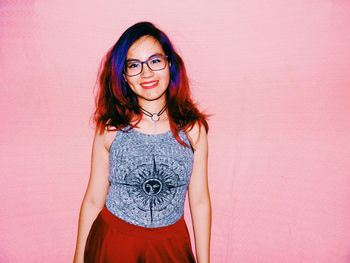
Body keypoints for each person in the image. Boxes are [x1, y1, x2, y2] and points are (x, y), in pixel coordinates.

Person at [73, 21, 212, 263]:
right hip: (113, 245)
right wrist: (78, 259)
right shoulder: (110, 129)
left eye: (155, 61)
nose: (146, 73)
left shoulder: (193, 130)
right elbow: (94, 199)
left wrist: (205, 261)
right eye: (134, 65)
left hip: (171, 246)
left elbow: (199, 201)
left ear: (169, 64)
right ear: (124, 76)